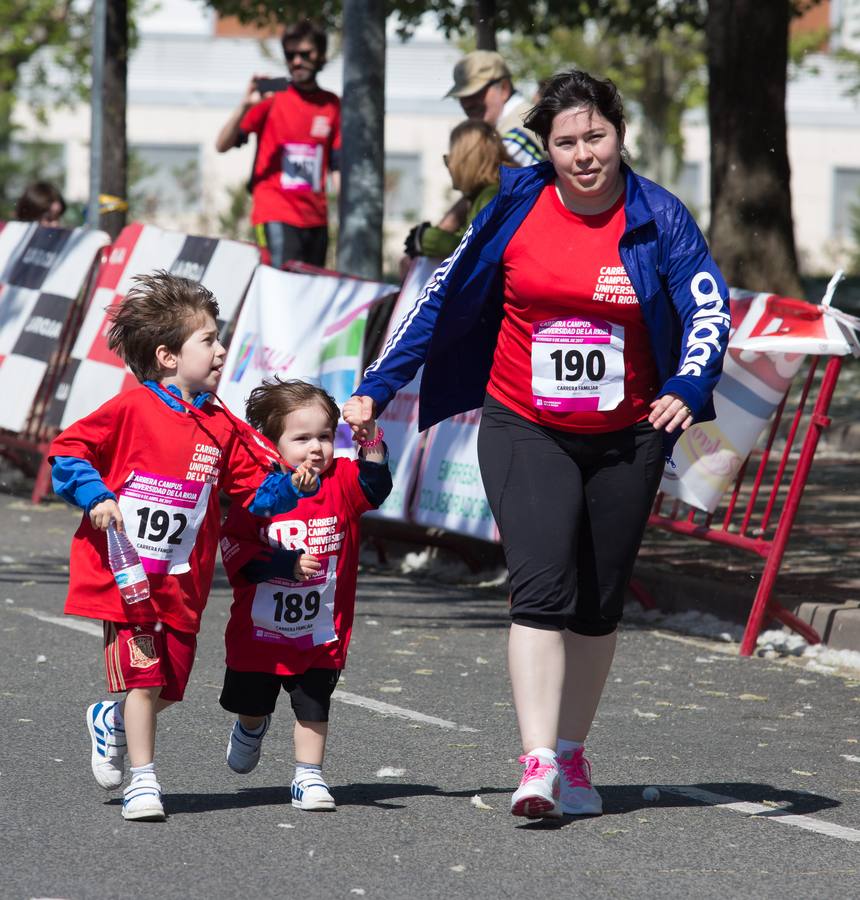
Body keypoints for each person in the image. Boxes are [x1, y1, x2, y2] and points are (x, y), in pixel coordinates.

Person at [344, 70, 730, 820]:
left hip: (630, 434)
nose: (584, 154)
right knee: (541, 585)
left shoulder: (659, 216)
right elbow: (439, 300)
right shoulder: (514, 204)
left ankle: (575, 753)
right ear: (544, 148)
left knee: (598, 604)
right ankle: (538, 761)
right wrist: (379, 385)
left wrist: (687, 383)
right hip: (526, 423)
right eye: (566, 142)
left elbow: (707, 309)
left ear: (619, 136)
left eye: (596, 137)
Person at [49, 271, 320, 823]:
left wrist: (289, 484)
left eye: (221, 339)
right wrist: (96, 495)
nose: (222, 351)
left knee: (169, 687)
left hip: (183, 584)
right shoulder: (130, 410)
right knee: (145, 682)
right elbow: (67, 452)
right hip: (127, 583)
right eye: (210, 341)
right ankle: (143, 783)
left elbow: (251, 494)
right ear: (169, 356)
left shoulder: (223, 425)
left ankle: (110, 719)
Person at [219, 379, 391, 811]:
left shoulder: (343, 480)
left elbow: (376, 485)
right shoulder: (258, 493)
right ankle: (250, 726)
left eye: (325, 437)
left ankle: (308, 776)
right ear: (270, 443)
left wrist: (370, 437)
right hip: (259, 633)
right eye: (302, 438)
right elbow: (237, 553)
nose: (316, 448)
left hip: (319, 629)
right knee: (253, 701)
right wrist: (285, 566)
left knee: (313, 703)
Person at [215, 19, 340, 268]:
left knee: (312, 290)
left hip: (316, 218)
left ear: (321, 55)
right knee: (282, 285)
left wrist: (350, 215)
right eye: (290, 55)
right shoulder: (272, 91)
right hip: (275, 211)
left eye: (305, 54)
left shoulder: (332, 103)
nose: (296, 61)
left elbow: (337, 166)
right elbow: (222, 144)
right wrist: (245, 105)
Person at [403, 119, 513, 262]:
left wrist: (426, 239)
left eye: (450, 159)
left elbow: (471, 249)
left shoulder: (490, 196)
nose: (449, 166)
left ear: (467, 161)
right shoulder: (494, 191)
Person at [446, 50, 544, 169]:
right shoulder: (514, 122)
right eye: (462, 96)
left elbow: (481, 180)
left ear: (504, 88)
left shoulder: (515, 137)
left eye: (476, 93)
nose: (467, 104)